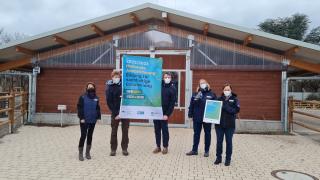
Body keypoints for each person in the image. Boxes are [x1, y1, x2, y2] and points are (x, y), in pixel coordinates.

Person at [186, 79, 216, 157]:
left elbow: (216, 106)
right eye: (201, 83)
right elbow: (191, 105)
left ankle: (206, 151)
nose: (202, 84)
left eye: (204, 83)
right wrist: (190, 114)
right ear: (199, 85)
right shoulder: (195, 94)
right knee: (196, 134)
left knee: (207, 134)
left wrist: (215, 116)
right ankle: (194, 150)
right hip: (197, 117)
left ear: (207, 84)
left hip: (207, 118)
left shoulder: (212, 94)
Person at [214, 83, 240, 166]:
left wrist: (225, 106)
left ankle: (228, 159)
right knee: (219, 142)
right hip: (219, 125)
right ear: (223, 90)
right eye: (225, 89)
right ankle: (218, 158)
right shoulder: (219, 99)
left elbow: (236, 110)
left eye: (228, 89)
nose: (227, 91)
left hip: (230, 125)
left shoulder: (235, 99)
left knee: (229, 142)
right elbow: (214, 110)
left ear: (231, 90)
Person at [106, 70, 130, 156]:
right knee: (114, 131)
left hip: (125, 112)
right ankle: (113, 149)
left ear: (120, 77)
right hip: (115, 113)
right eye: (114, 77)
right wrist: (116, 113)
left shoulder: (124, 85)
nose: (116, 78)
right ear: (112, 78)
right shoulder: (109, 87)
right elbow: (109, 101)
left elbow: (129, 98)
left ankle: (124, 148)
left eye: (118, 77)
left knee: (125, 131)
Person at [153, 72, 176, 155]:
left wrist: (167, 114)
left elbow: (172, 103)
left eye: (168, 77)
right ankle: (158, 146)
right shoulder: (158, 86)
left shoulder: (172, 88)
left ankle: (165, 147)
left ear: (171, 78)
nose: (167, 78)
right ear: (163, 78)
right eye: (165, 77)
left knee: (165, 131)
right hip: (156, 112)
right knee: (157, 130)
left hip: (164, 114)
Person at [77, 82, 101, 161]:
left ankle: (87, 153)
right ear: (86, 88)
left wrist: (98, 117)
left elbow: (97, 108)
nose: (90, 87)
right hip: (84, 120)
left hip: (92, 120)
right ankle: (80, 153)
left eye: (92, 86)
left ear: (94, 88)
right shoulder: (82, 97)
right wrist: (81, 117)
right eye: (89, 86)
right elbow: (79, 108)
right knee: (83, 135)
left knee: (90, 136)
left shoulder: (96, 98)